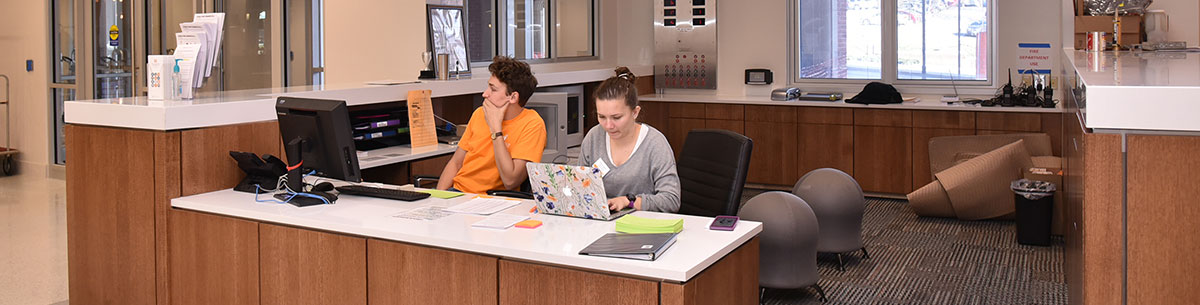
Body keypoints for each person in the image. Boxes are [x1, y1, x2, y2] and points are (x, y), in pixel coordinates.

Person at [437, 56, 546, 193]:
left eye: (493, 89)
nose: (485, 94)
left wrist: (496, 129)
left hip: (493, 200)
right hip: (459, 193)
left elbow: (510, 181)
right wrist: (438, 197)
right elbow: (455, 163)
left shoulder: (532, 124)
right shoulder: (479, 114)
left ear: (513, 97)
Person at [578, 67, 681, 213]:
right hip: (601, 223)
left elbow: (671, 200)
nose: (608, 125)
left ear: (635, 112)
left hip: (643, 227)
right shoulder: (594, 137)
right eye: (601, 117)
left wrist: (628, 201)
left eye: (616, 117)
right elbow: (581, 187)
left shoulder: (655, 143)